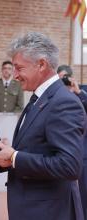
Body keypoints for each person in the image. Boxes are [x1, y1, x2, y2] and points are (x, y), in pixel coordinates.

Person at [0, 32, 86, 220]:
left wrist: (15, 157)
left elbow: (69, 165)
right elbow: (36, 149)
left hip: (49, 211)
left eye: (19, 68)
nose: (15, 75)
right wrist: (8, 158)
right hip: (33, 207)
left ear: (41, 64)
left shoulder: (63, 102)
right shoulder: (40, 98)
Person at [57, 64, 87, 219]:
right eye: (61, 78)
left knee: (83, 193)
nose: (65, 81)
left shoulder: (82, 90)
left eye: (66, 77)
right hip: (63, 154)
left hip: (83, 153)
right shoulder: (56, 94)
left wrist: (78, 92)